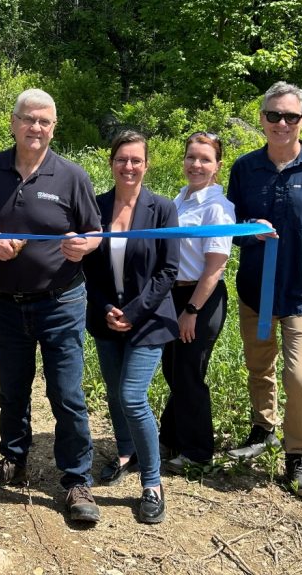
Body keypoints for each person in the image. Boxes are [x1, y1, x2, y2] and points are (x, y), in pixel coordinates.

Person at [0, 88, 103, 524]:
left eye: (44, 121)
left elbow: (94, 231)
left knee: (67, 394)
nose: (35, 128)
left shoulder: (72, 176)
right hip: (7, 303)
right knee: (11, 388)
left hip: (61, 301)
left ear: (54, 127)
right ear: (13, 122)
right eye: (28, 119)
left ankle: (77, 479)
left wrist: (84, 247)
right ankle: (12, 458)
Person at [225, 81, 302, 498]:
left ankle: (297, 457)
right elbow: (230, 232)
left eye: (291, 116)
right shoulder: (245, 168)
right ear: (262, 119)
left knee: (300, 376)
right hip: (256, 292)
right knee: (259, 366)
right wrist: (249, 235)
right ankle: (262, 429)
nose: (282, 123)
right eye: (274, 115)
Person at [82, 130, 179, 524]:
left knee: (132, 396)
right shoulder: (97, 206)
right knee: (114, 393)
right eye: (122, 159)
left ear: (146, 164)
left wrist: (134, 311)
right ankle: (126, 452)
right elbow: (88, 264)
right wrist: (106, 306)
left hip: (149, 320)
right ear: (111, 162)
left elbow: (168, 269)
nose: (129, 166)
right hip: (107, 317)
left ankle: (152, 483)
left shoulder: (163, 208)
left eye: (136, 160)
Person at [160, 131, 235, 472]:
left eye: (205, 159)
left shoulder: (218, 208)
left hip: (199, 298)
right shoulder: (181, 199)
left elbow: (214, 268)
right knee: (173, 371)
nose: (196, 164)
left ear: (218, 166)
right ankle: (170, 436)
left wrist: (191, 311)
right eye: (191, 157)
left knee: (189, 373)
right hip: (172, 295)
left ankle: (198, 453)